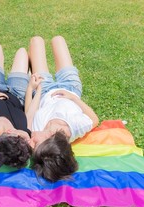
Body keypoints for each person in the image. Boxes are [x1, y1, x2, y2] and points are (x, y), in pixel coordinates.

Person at [25, 35, 99, 182]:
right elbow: (94, 119)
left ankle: (29, 64)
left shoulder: (35, 131)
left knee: (36, 41)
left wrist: (32, 89)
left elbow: (29, 111)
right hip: (70, 86)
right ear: (49, 140)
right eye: (35, 143)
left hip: (44, 89)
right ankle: (30, 63)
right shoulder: (74, 128)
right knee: (58, 40)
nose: (30, 141)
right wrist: (74, 99)